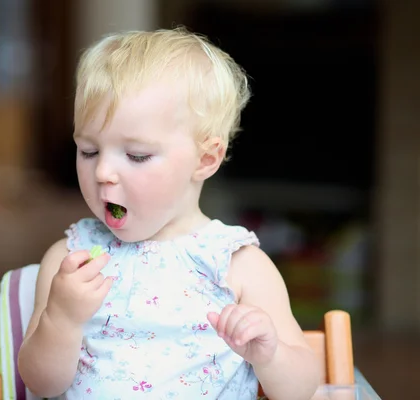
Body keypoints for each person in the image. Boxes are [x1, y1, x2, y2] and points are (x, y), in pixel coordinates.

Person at [18, 27, 321, 399]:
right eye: (89, 151)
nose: (103, 173)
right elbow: (40, 384)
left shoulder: (237, 264)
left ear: (205, 159)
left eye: (137, 156)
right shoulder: (72, 258)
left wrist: (270, 356)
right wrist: (61, 319)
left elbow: (304, 388)